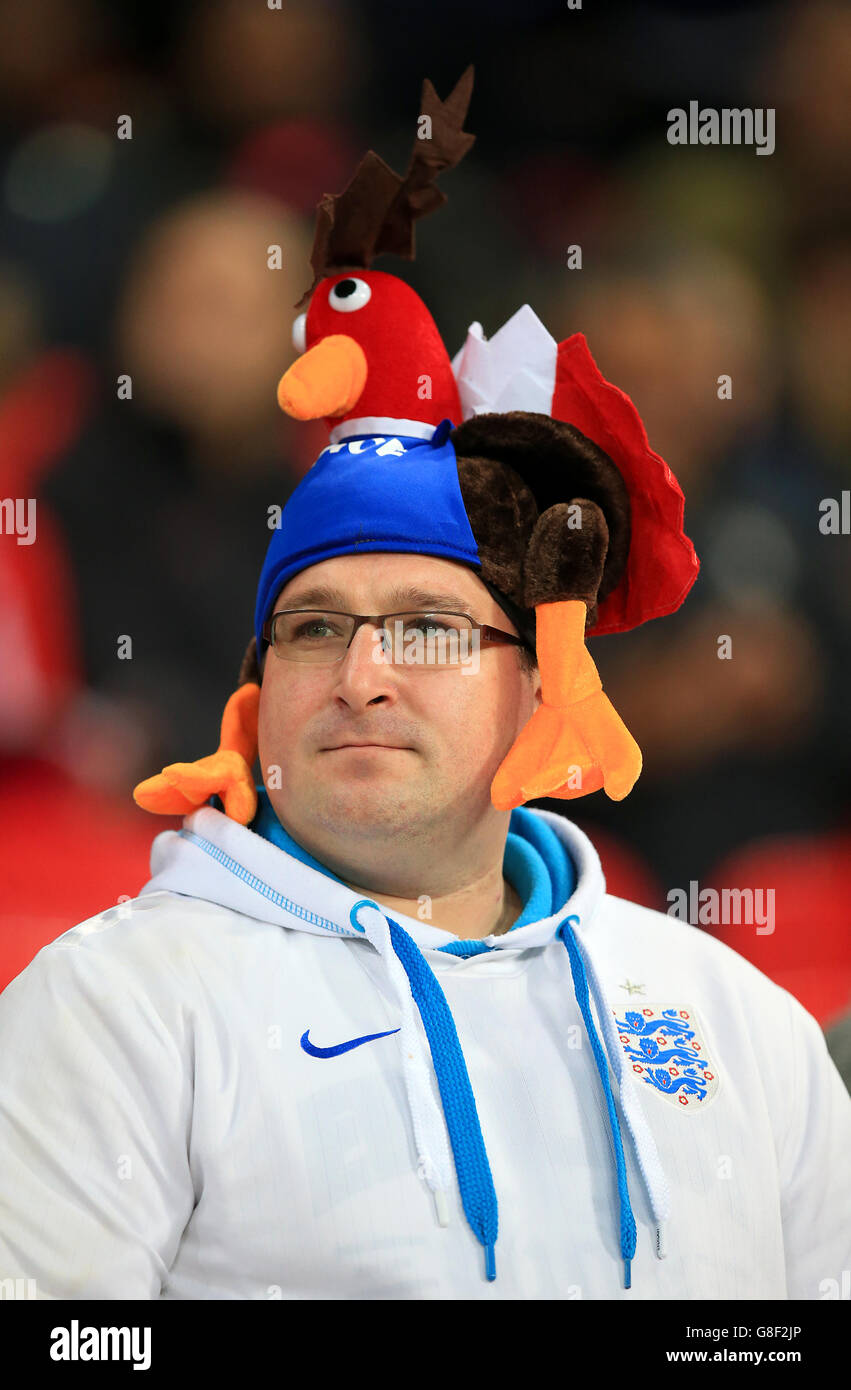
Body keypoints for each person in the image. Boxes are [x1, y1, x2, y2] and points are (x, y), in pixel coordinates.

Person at [1, 68, 848, 1303]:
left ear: (533, 685)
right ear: (255, 687)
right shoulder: (114, 1004)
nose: (360, 676)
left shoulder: (729, 1012)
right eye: (310, 629)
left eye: (428, 630)